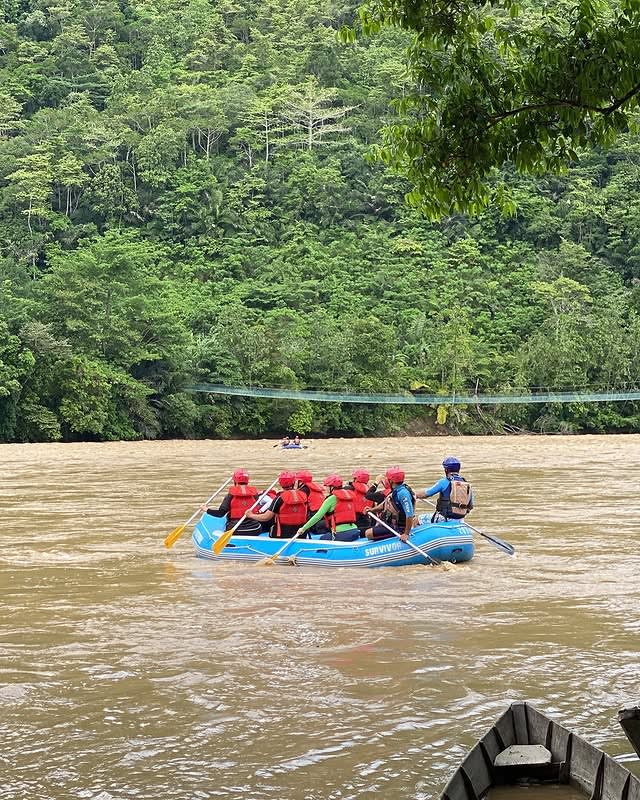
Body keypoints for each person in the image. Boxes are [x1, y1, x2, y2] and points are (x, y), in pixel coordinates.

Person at [295, 475, 361, 542]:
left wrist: (303, 528)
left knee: (322, 539)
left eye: (327, 486)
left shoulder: (330, 499)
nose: (326, 489)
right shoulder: (350, 497)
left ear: (332, 487)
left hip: (342, 533)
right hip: (355, 531)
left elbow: (318, 516)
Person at [246, 471, 309, 538]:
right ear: (294, 482)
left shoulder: (279, 498)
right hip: (301, 534)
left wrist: (251, 515)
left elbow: (266, 517)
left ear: (280, 484)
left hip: (282, 535)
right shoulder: (304, 496)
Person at [200, 469, 262, 535]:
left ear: (235, 481)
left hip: (236, 530)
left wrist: (206, 509)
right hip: (255, 529)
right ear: (247, 481)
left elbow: (220, 514)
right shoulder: (254, 494)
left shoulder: (230, 495)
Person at [364, 467, 415, 542]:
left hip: (399, 527)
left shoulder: (403, 493)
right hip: (391, 523)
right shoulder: (396, 490)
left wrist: (406, 533)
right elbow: (384, 505)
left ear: (391, 481)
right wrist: (371, 510)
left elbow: (409, 515)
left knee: (368, 533)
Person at [415, 456, 473, 521]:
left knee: (417, 520)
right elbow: (470, 507)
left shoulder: (444, 482)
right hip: (460, 519)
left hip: (444, 517)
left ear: (446, 470)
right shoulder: (467, 485)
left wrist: (415, 494)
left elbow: (426, 494)